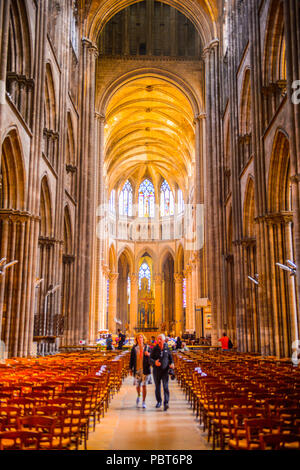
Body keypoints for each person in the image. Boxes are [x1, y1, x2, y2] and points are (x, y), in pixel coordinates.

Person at [150, 333, 174, 411]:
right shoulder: (154, 348)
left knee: (165, 386)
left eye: (160, 339)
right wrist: (154, 363)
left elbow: (170, 358)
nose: (159, 341)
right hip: (157, 371)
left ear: (164, 340)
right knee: (157, 386)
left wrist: (172, 363)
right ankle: (159, 401)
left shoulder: (167, 347)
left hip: (165, 370)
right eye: (158, 339)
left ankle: (166, 403)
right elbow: (150, 359)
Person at [129, 334, 151, 409]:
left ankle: (144, 401)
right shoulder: (134, 348)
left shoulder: (147, 347)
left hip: (145, 369)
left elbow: (152, 357)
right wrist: (130, 369)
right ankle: (139, 395)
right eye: (138, 338)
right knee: (138, 386)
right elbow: (131, 359)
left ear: (143, 339)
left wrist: (149, 354)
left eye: (141, 337)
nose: (140, 339)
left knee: (144, 386)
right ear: (137, 339)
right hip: (137, 369)